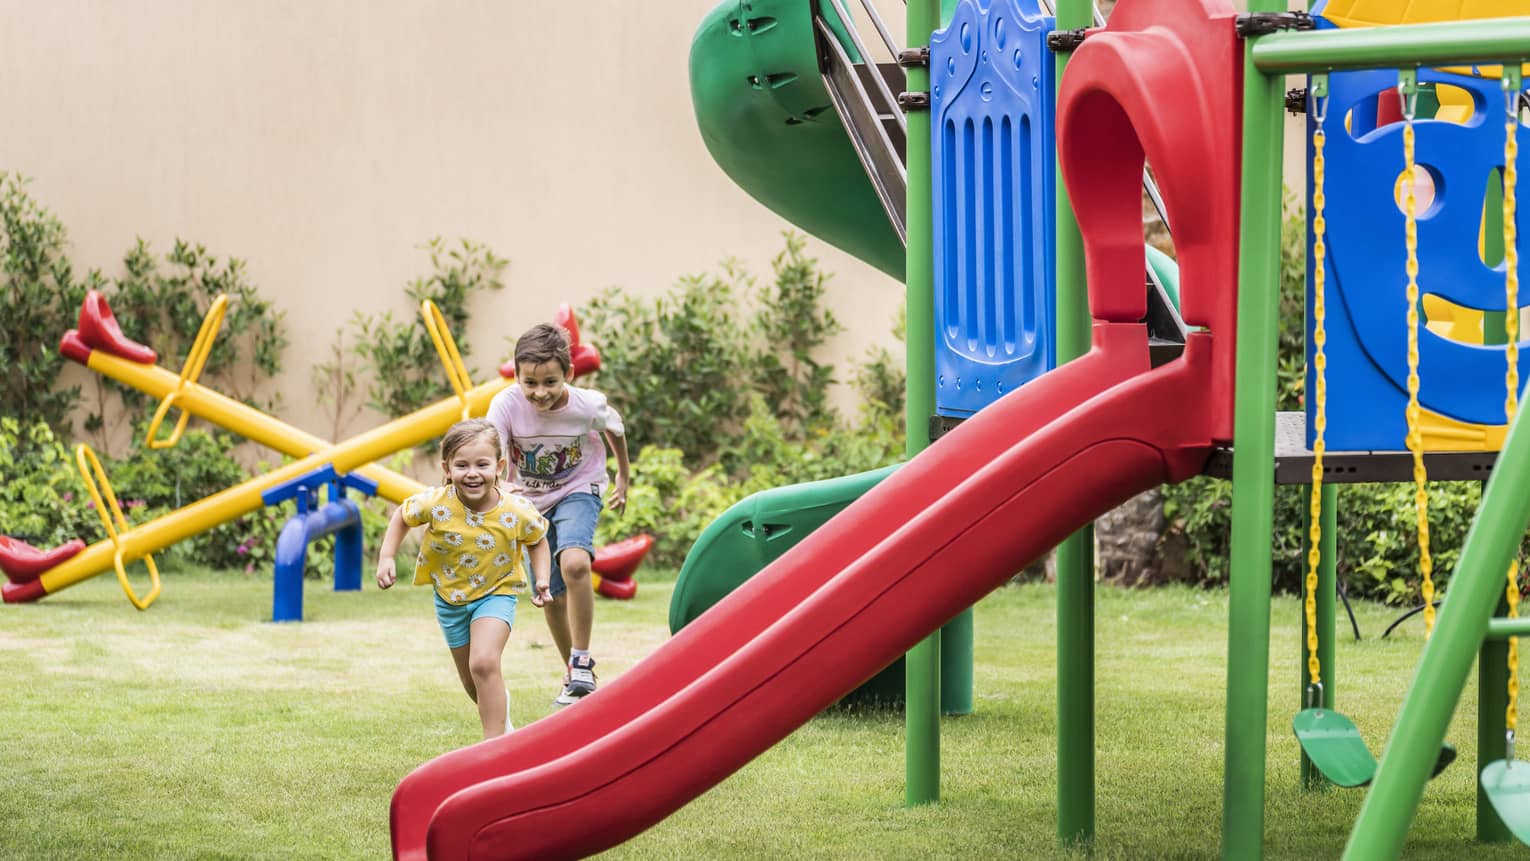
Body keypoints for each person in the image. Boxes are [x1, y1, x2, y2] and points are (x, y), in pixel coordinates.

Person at [375, 419, 551, 740]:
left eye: (482, 464)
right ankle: (503, 719)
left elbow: (537, 538)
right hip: (450, 599)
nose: (472, 473)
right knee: (473, 682)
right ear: (447, 468)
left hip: (496, 593)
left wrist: (542, 578)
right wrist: (387, 556)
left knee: (484, 664)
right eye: (462, 465)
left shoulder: (515, 509)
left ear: (498, 466)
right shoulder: (436, 503)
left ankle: (493, 749)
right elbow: (402, 515)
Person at [487, 322, 629, 706]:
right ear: (516, 375)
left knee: (576, 564)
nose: (540, 393)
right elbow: (492, 451)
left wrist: (622, 479)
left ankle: (582, 659)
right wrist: (500, 489)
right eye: (529, 382)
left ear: (568, 373)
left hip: (579, 488)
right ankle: (573, 671)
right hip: (530, 502)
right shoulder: (505, 404)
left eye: (550, 382)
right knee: (548, 592)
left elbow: (615, 429)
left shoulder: (587, 404)